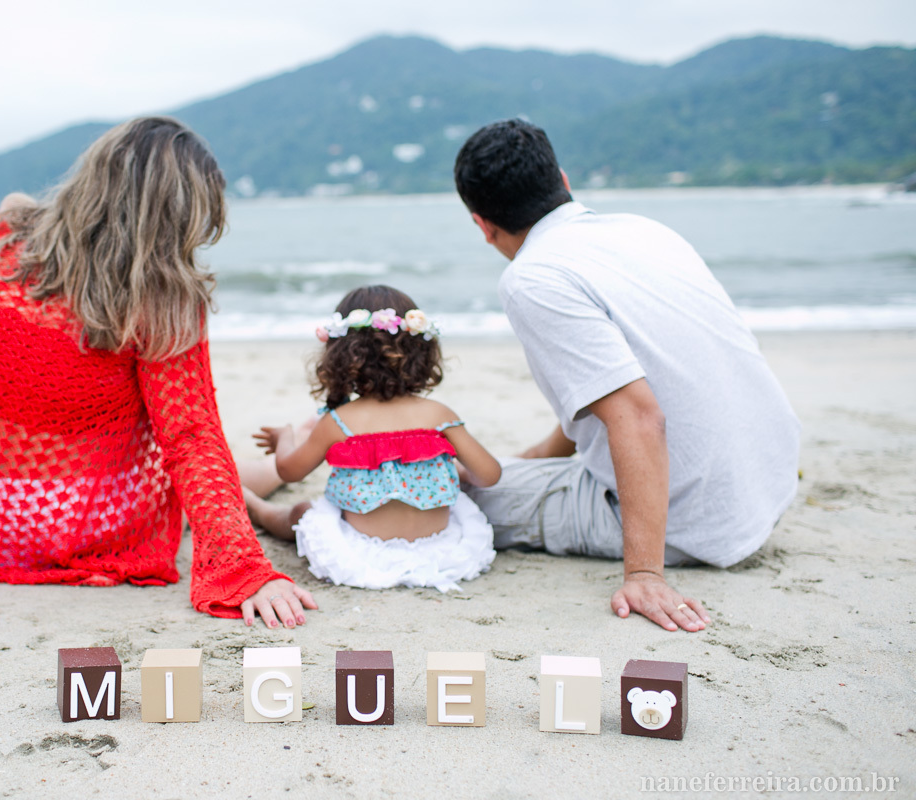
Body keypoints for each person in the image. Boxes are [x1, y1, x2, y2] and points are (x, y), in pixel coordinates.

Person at [0, 117, 315, 629]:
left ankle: (272, 486)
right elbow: (190, 438)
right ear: (177, 216)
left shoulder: (6, 233)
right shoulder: (163, 303)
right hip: (59, 529)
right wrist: (245, 570)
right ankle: (277, 486)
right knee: (175, 439)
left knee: (139, 429)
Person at [453, 119, 801, 632]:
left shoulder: (533, 278)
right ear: (564, 181)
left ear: (483, 225)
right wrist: (532, 460)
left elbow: (638, 416)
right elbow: (608, 389)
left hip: (693, 519)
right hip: (762, 486)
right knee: (510, 470)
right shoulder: (644, 231)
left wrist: (644, 573)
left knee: (437, 493)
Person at [243, 285, 502, 592]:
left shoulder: (338, 422)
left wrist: (285, 438)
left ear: (340, 356)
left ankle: (258, 509)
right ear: (421, 350)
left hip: (359, 550)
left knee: (302, 512)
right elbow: (489, 475)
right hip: (441, 549)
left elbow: (289, 471)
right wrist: (445, 469)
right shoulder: (439, 415)